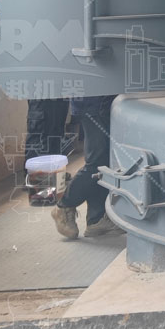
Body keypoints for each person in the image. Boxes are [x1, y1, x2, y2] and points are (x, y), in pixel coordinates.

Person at [51, 95, 121, 239]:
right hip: (96, 102)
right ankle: (65, 205)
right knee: (98, 163)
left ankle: (96, 219)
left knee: (103, 162)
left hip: (98, 102)